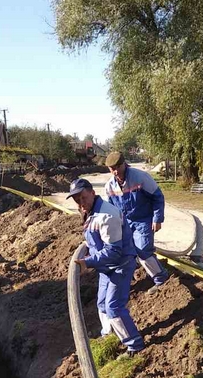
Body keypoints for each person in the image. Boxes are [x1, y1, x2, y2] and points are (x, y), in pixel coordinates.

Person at [69, 178, 145, 355]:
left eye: (83, 198)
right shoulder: (91, 212)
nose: (80, 203)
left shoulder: (107, 215)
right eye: (76, 200)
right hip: (106, 267)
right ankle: (109, 334)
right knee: (102, 304)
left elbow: (113, 251)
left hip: (120, 265)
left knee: (113, 307)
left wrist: (87, 262)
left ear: (93, 194)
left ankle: (134, 345)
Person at [104, 150, 169, 293]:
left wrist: (157, 219)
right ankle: (126, 279)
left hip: (143, 220)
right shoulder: (109, 186)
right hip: (125, 223)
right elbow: (111, 211)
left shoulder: (140, 177)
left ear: (124, 164)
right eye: (112, 169)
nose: (115, 172)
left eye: (117, 168)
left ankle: (161, 279)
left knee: (143, 251)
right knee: (123, 252)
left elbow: (157, 197)